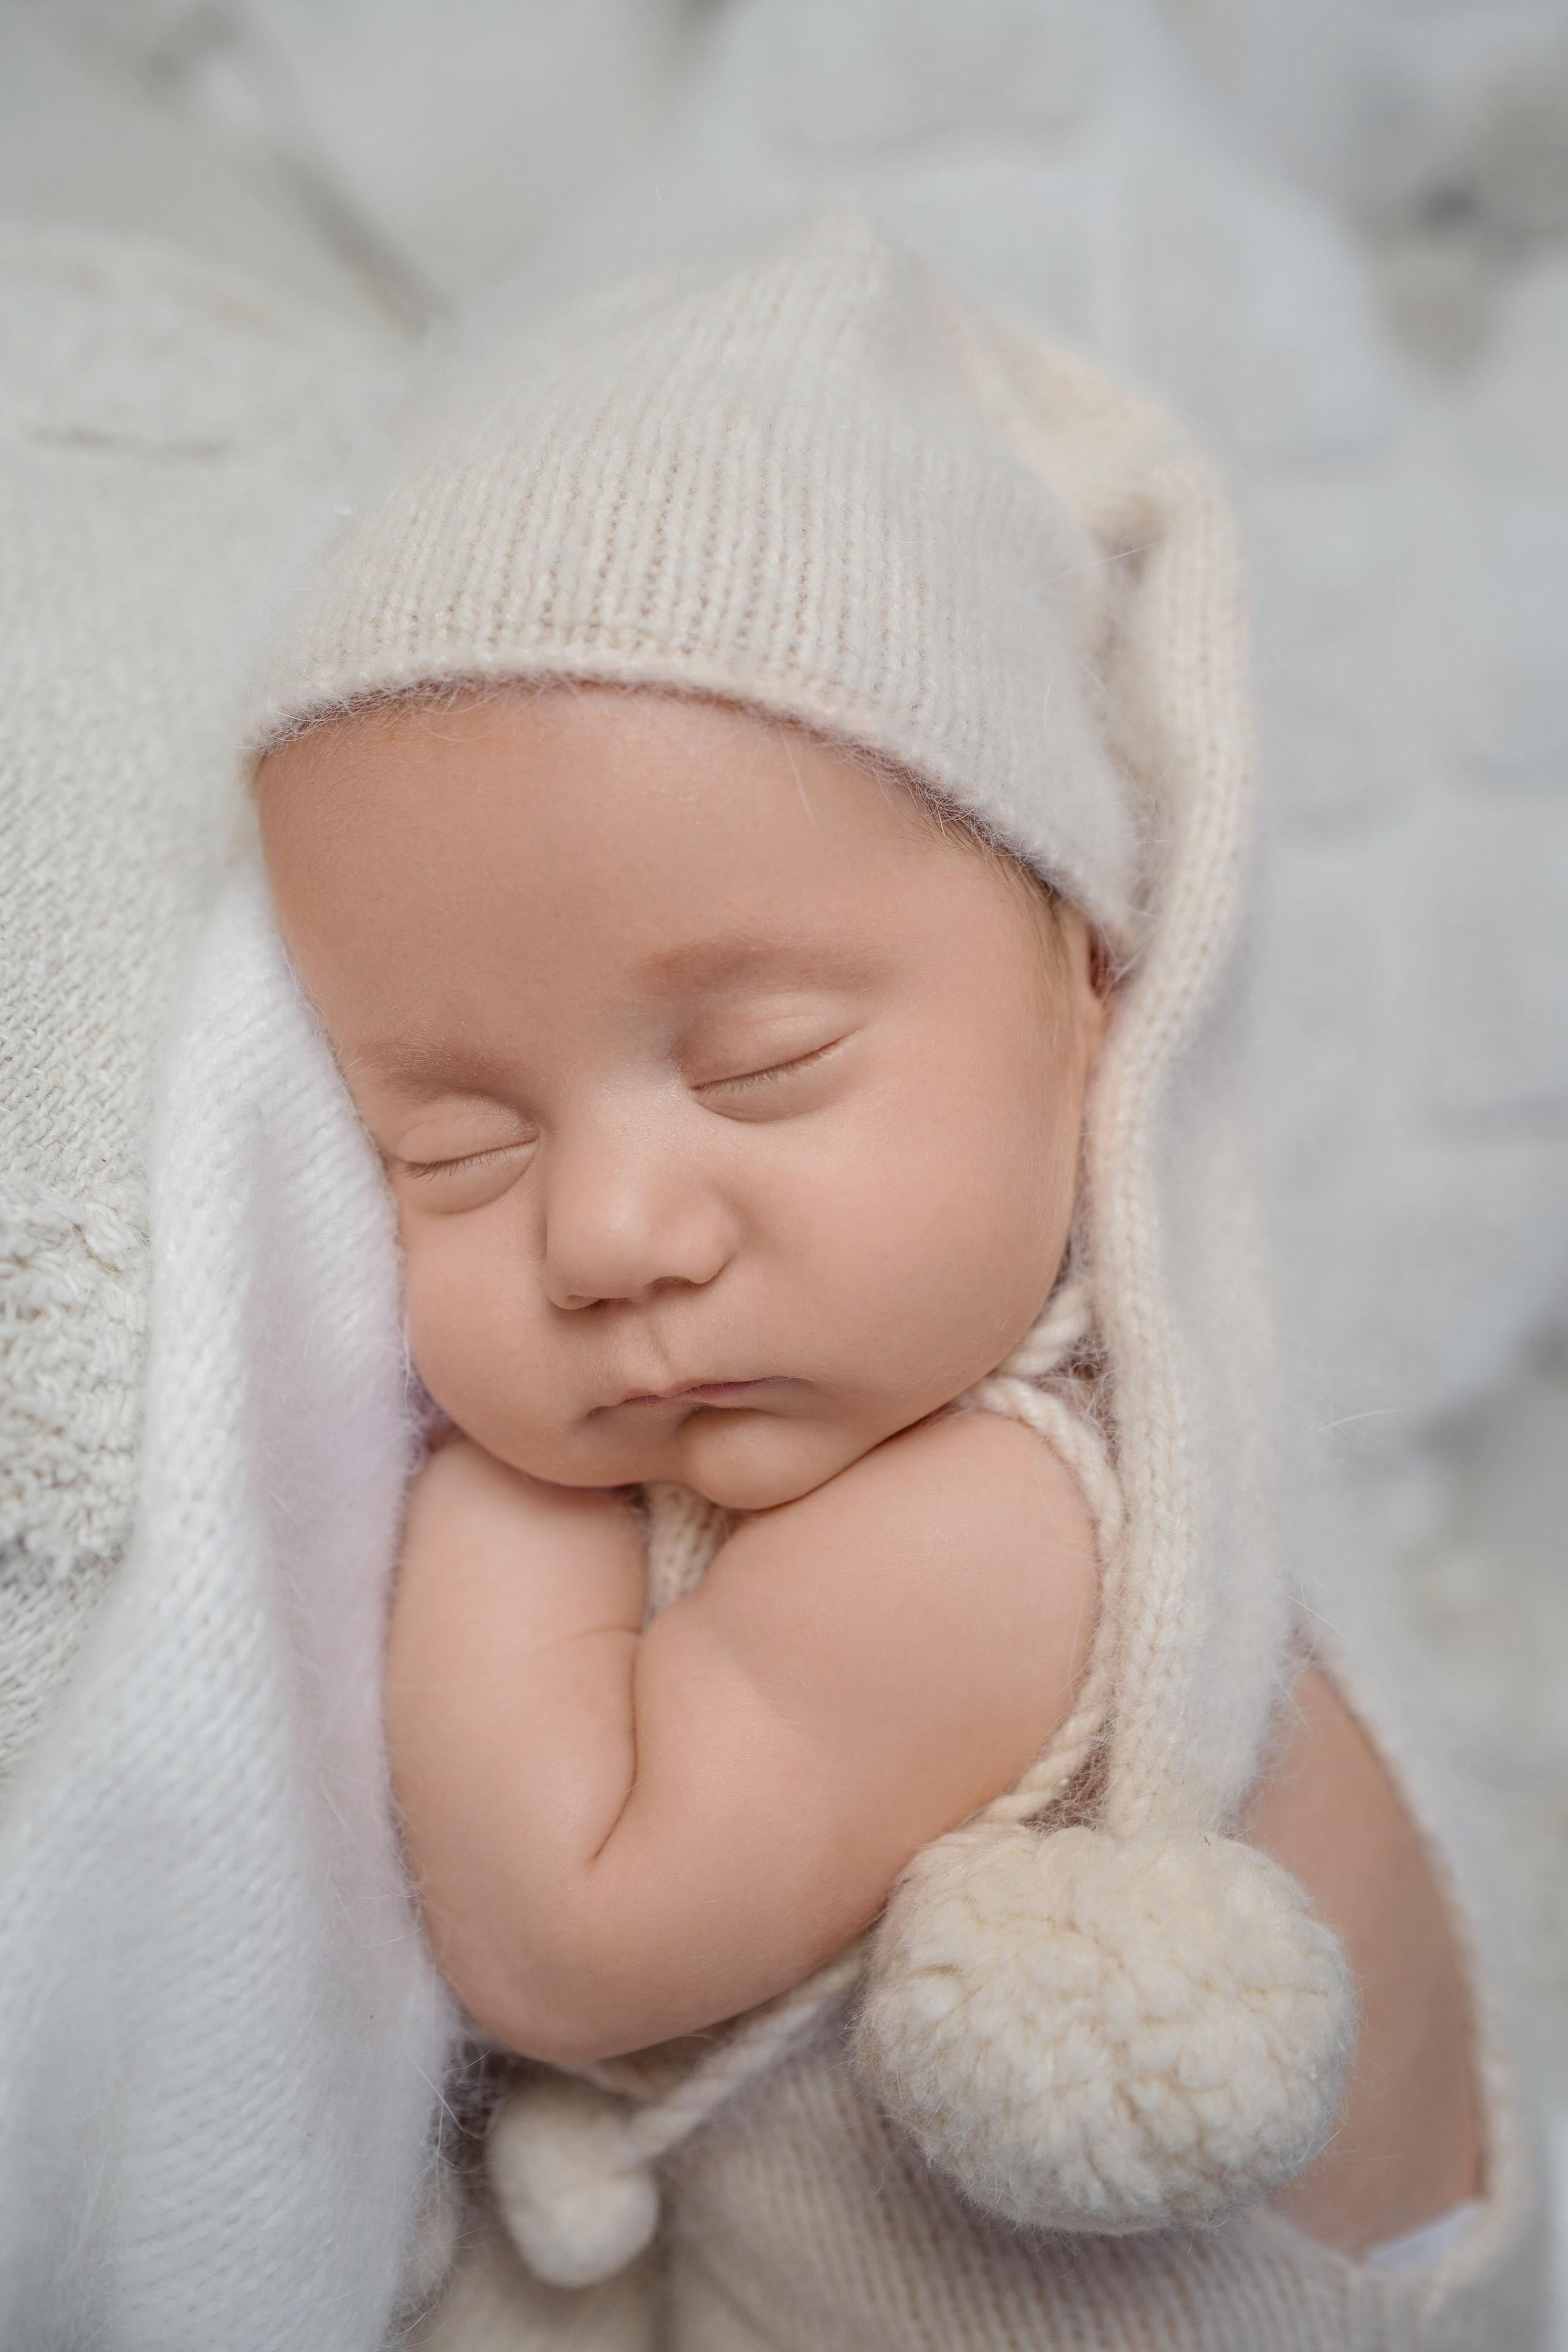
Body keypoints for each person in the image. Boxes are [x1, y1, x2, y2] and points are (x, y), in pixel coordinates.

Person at [247, 209, 1540, 2345]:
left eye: (760, 1066)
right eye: (452, 1151)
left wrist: (483, 1475)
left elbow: (567, 1930)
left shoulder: (1003, 1530)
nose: (608, 1234)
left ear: (1092, 1004)